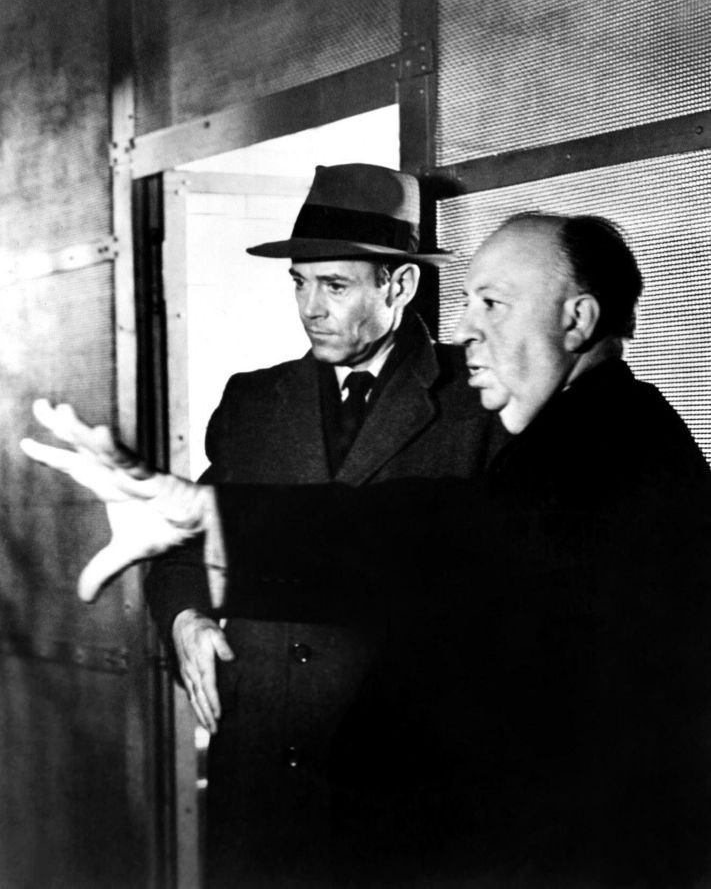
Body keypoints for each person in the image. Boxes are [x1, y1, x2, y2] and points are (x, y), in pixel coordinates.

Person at [22, 212, 711, 888]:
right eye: (466, 301)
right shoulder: (591, 429)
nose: (465, 328)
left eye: (493, 304)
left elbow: (432, 535)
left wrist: (202, 514)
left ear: (577, 320)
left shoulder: (606, 444)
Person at [144, 162, 505, 887]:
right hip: (259, 791)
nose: (310, 308)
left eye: (334, 286)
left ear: (399, 286)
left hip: (399, 794)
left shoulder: (479, 404)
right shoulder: (253, 402)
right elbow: (185, 545)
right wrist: (185, 618)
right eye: (299, 284)